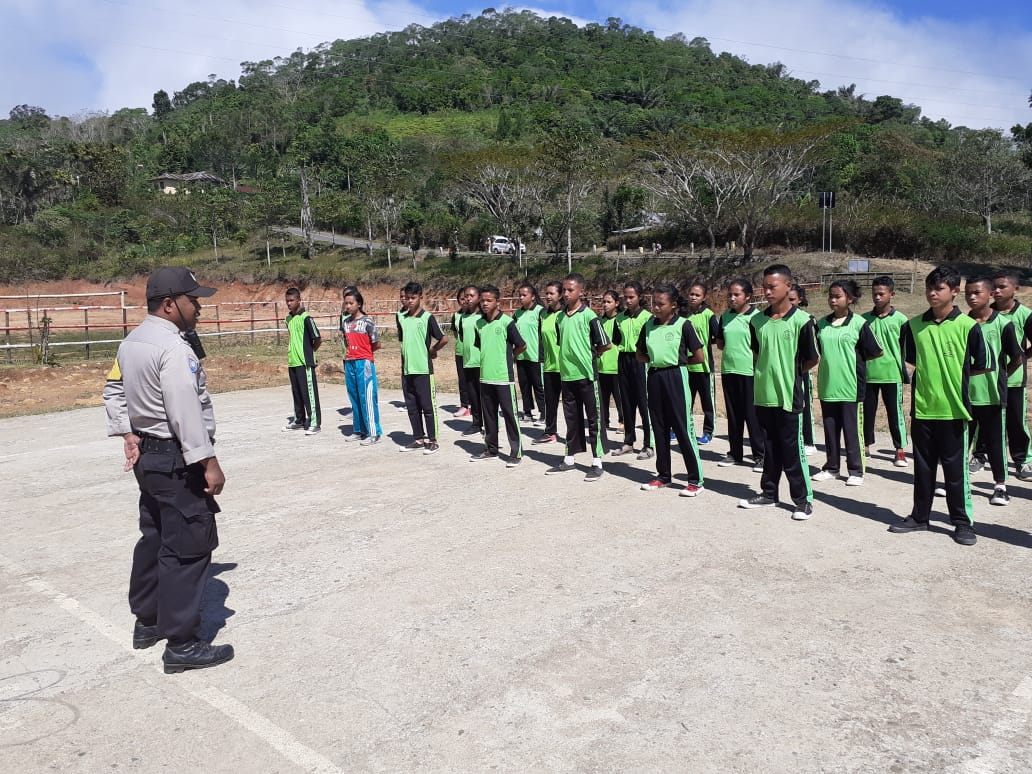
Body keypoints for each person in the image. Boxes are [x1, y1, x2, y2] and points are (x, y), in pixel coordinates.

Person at [103, 266, 233, 673]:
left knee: (156, 534)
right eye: (193, 300)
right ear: (169, 304)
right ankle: (182, 643)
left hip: (149, 456)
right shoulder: (174, 349)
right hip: (176, 458)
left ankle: (148, 619)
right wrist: (207, 460)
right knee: (190, 544)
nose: (198, 307)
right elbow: (184, 409)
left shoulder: (132, 343)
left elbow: (113, 389)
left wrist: (127, 431)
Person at [889, 266, 992, 546]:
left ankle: (961, 522)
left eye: (940, 288)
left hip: (955, 410)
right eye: (929, 288)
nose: (933, 293)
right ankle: (920, 517)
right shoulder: (913, 326)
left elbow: (981, 365)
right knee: (922, 469)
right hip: (923, 408)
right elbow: (911, 359)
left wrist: (954, 381)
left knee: (955, 472)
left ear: (954, 291)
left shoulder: (968, 327)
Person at [738, 265, 820, 521]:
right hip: (763, 395)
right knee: (769, 449)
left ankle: (802, 500)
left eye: (772, 286)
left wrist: (789, 375)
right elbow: (757, 353)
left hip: (789, 396)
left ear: (788, 286)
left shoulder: (802, 321)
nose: (768, 291)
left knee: (792, 451)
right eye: (765, 286)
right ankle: (768, 493)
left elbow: (811, 359)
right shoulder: (757, 321)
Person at [636, 284, 706, 496]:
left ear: (673, 305)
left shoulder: (684, 325)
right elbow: (640, 353)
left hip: (676, 376)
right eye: (653, 303)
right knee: (659, 428)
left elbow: (699, 356)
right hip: (654, 376)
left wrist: (678, 362)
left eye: (660, 304)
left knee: (683, 428)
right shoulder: (649, 325)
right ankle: (663, 476)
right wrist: (656, 361)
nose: (655, 308)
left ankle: (695, 480)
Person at [811, 280, 882, 487]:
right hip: (827, 386)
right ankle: (832, 467)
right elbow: (818, 352)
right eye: (830, 296)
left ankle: (856, 470)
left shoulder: (859, 324)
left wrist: (852, 364)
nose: (833, 300)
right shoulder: (821, 324)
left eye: (838, 296)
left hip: (851, 388)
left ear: (849, 299)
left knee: (852, 431)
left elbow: (876, 351)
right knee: (830, 430)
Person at [545, 273, 611, 481]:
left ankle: (597, 461)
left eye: (570, 290)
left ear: (581, 291)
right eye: (564, 290)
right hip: (567, 376)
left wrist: (591, 356)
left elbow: (605, 344)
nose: (566, 294)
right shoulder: (561, 317)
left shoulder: (589, 316)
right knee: (571, 419)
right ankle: (569, 459)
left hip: (587, 376)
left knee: (593, 419)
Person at [966, 276, 1022, 506]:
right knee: (961, 441)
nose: (972, 297)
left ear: (990, 295)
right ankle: (957, 483)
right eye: (968, 292)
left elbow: (1017, 358)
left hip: (991, 395)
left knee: (996, 441)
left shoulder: (1002, 324)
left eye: (977, 292)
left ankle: (1000, 486)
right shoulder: (961, 322)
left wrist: (1000, 376)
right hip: (963, 395)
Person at [471, 284, 527, 466]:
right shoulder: (479, 324)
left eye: (489, 300)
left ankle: (516, 451)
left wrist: (509, 357)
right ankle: (491, 449)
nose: (485, 304)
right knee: (489, 416)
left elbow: (521, 345)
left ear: (498, 302)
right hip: (485, 377)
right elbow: (481, 346)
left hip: (503, 378)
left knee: (510, 416)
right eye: (483, 300)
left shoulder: (507, 323)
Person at [716, 278, 765, 471]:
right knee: (734, 416)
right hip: (729, 370)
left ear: (748, 297)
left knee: (753, 416)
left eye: (737, 294)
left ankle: (760, 456)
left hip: (750, 372)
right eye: (730, 294)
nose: (732, 298)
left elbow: (761, 347)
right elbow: (720, 343)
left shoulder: (758, 318)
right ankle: (735, 453)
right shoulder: (726, 316)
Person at [861, 276, 909, 467]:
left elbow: (906, 348)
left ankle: (900, 450)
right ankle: (865, 446)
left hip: (892, 374)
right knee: (866, 413)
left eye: (881, 294)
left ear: (892, 294)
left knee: (895, 414)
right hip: (869, 375)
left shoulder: (901, 320)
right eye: (875, 294)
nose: (877, 297)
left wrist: (903, 369)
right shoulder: (863, 320)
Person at [397, 281, 449, 454]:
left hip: (423, 369)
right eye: (407, 298)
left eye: (413, 298)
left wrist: (432, 350)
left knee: (428, 407)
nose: (409, 301)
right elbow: (402, 341)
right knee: (412, 407)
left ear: (420, 297)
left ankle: (433, 440)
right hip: (407, 369)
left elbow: (443, 338)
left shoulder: (427, 318)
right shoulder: (401, 316)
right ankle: (418, 438)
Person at [991, 271, 1032, 480]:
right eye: (994, 287)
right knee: (986, 422)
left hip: (1014, 380)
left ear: (1015, 290)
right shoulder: (986, 313)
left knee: (1016, 422)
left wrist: (1023, 357)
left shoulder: (1025, 314)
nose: (996, 291)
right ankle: (980, 456)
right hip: (989, 380)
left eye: (1002, 287)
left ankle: (1023, 461)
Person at [612, 281, 654, 460]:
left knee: (644, 403)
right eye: (625, 297)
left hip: (640, 361)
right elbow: (616, 339)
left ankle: (648, 444)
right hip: (624, 360)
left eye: (632, 297)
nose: (628, 300)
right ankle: (628, 441)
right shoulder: (619, 318)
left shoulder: (647, 317)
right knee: (627, 403)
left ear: (639, 297)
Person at [340, 287, 382, 445]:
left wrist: (363, 354)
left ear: (359, 304)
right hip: (349, 362)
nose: (348, 306)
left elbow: (376, 344)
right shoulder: (346, 323)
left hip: (364, 363)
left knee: (368, 397)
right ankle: (359, 429)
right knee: (355, 396)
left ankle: (374, 432)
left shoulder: (367, 322)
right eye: (346, 303)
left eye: (351, 303)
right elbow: (346, 341)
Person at [282, 287, 322, 435]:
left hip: (304, 362)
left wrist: (309, 353)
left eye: (292, 300)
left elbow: (317, 338)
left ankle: (314, 422)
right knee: (296, 393)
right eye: (287, 301)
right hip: (292, 361)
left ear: (299, 300)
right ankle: (299, 419)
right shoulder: (288, 319)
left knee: (309, 394)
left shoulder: (306, 318)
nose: (289, 303)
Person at [684, 280, 719, 444]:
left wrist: (702, 345)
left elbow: (717, 336)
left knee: (707, 403)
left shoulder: (708, 315)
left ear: (703, 297)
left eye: (697, 295)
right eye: (691, 294)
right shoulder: (684, 315)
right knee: (685, 401)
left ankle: (708, 432)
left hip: (704, 367)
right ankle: (683, 429)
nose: (693, 297)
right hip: (687, 366)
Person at [788, 283, 818, 456]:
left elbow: (812, 352)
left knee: (805, 404)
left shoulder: (807, 319)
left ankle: (809, 441)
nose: (790, 303)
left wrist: (801, 369)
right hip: (784, 371)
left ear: (800, 300)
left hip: (802, 369)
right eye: (787, 299)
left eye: (793, 299)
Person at [533, 280, 564, 445]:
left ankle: (576, 436)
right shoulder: (542, 314)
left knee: (570, 405)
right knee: (550, 402)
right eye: (547, 293)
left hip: (566, 367)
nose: (548, 296)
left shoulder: (566, 314)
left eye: (552, 293)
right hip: (549, 366)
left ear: (560, 295)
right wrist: (542, 359)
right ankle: (550, 432)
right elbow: (541, 338)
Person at [513, 282, 545, 425]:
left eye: (524, 295)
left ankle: (544, 414)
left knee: (539, 386)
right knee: (524, 386)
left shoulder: (540, 311)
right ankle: (527, 412)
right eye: (519, 295)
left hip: (536, 356)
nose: (521, 297)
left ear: (532, 297)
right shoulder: (517, 313)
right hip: (521, 356)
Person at [455, 285, 483, 437]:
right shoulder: (463, 317)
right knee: (473, 396)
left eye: (471, 296)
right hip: (468, 362)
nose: (468, 299)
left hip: (482, 362)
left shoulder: (483, 317)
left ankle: (491, 425)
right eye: (466, 296)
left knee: (485, 396)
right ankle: (476, 423)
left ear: (478, 297)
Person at [598, 290, 624, 436]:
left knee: (619, 397)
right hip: (602, 366)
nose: (605, 304)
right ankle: (604, 421)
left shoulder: (621, 320)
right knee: (603, 398)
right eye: (604, 301)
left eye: (609, 302)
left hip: (616, 366)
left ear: (617, 303)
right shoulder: (600, 321)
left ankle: (623, 421)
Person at [450, 288, 472, 419]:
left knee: (474, 380)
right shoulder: (456, 316)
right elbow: (454, 333)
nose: (465, 301)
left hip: (474, 353)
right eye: (461, 299)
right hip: (460, 352)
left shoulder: (477, 314)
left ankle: (476, 405)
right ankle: (464, 405)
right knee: (463, 380)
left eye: (467, 298)